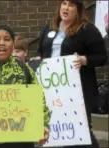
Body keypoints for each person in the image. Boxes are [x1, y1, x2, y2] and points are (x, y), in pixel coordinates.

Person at [34, 0, 108, 147]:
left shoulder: (88, 29)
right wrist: (38, 59)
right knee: (54, 125)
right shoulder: (49, 28)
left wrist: (84, 60)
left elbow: (101, 57)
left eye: (71, 5)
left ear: (78, 9)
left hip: (78, 88)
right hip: (52, 87)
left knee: (82, 128)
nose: (66, 8)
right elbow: (40, 52)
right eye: (64, 3)